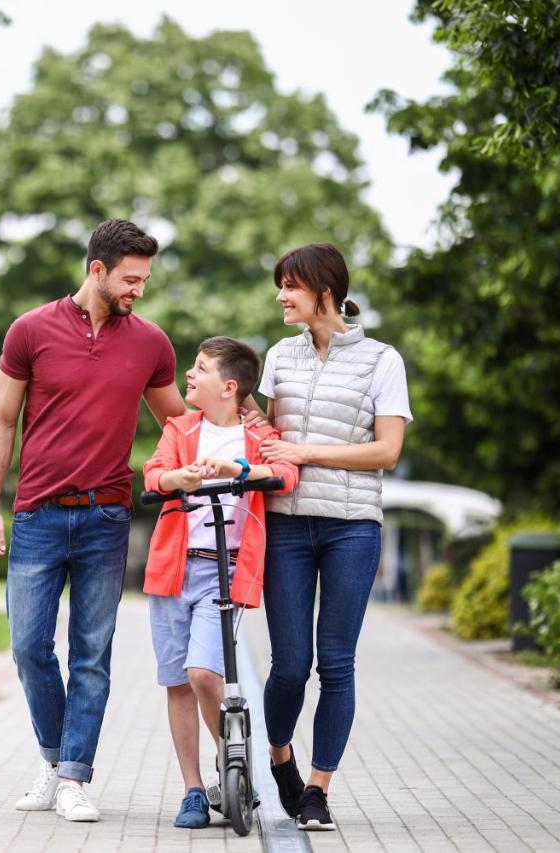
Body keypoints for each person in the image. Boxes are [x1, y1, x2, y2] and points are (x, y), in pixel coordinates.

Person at [0, 219, 187, 823]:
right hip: (39, 513)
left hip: (105, 517)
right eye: (130, 279)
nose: (138, 291)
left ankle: (72, 776)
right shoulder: (30, 331)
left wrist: (244, 414)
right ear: (97, 269)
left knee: (91, 654)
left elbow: (178, 422)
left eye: (144, 280)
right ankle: (53, 757)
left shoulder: (151, 344)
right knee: (28, 648)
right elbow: (1, 419)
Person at [245, 243, 412, 831]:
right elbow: (269, 435)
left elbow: (387, 451)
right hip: (287, 523)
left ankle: (317, 789)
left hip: (352, 529)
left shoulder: (381, 360)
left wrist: (307, 451)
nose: (280, 296)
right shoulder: (279, 357)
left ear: (324, 291)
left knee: (336, 664)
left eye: (289, 286)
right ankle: (279, 756)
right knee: (289, 665)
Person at [141, 336, 299, 829]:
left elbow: (285, 473)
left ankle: (229, 760)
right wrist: (176, 481)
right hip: (172, 567)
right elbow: (153, 474)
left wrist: (240, 470)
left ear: (230, 387)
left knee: (203, 673)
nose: (189, 374)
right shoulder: (180, 429)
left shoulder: (259, 436)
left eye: (201, 368)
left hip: (223, 571)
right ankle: (193, 789)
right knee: (176, 682)